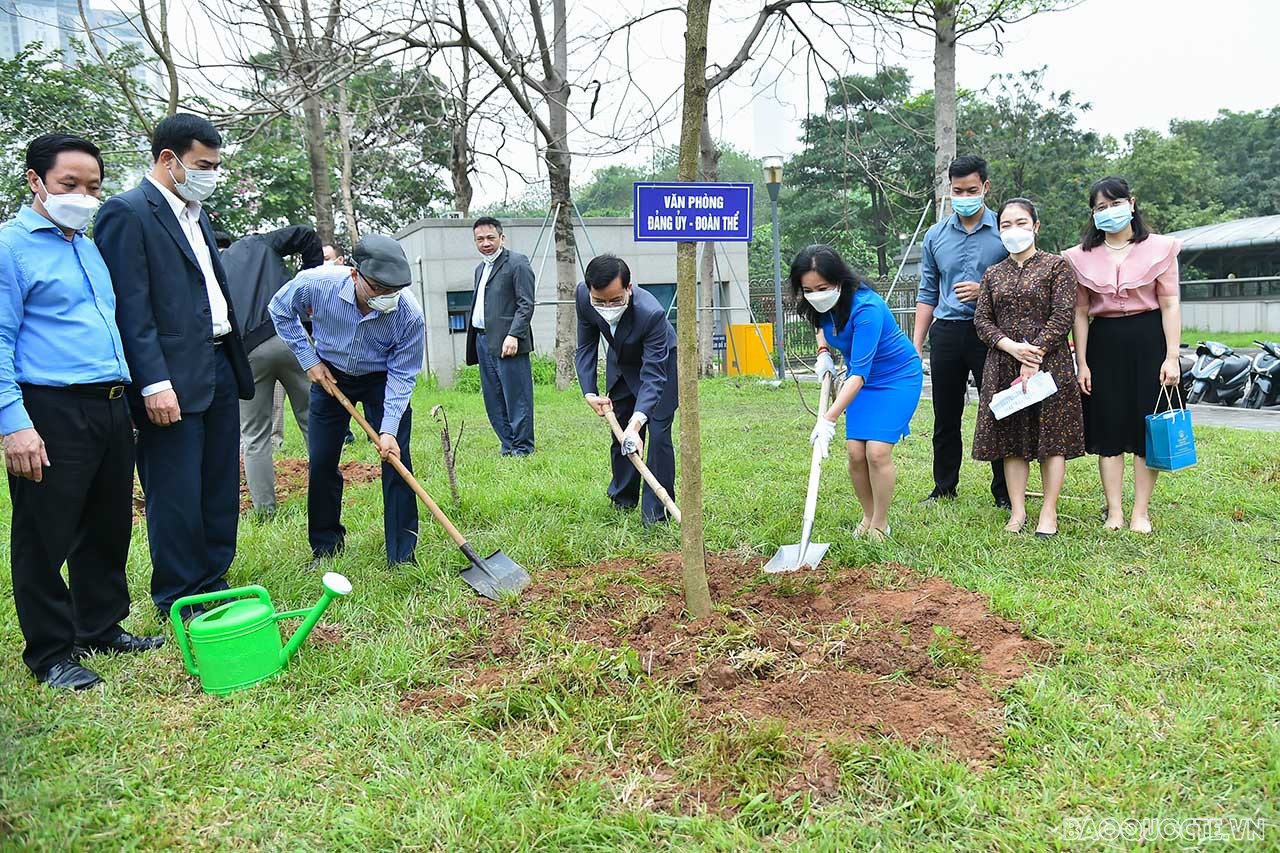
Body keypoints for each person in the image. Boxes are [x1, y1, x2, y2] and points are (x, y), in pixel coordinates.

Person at [0, 134, 163, 689]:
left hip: (110, 402)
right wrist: (14, 422)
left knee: (107, 523)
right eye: (69, 184)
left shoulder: (86, 245)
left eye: (92, 186)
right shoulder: (11, 247)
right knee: (44, 534)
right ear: (35, 181)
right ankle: (50, 653)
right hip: (50, 406)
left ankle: (101, 625)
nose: (83, 195)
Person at [94, 114, 255, 619]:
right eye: (203, 165)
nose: (211, 173)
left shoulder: (196, 212)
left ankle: (214, 578)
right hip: (169, 377)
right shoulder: (128, 213)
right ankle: (179, 597)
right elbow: (129, 307)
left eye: (215, 165)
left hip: (219, 363)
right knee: (176, 489)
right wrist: (153, 381)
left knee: (217, 484)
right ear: (169, 159)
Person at [270, 234, 425, 566]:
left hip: (381, 380)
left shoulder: (408, 313)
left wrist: (389, 430)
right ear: (355, 275)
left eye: (392, 290)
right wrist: (309, 360)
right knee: (323, 460)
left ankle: (402, 555)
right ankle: (326, 546)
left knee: (396, 461)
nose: (386, 296)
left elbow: (402, 374)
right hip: (331, 376)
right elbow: (280, 310)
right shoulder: (317, 284)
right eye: (378, 288)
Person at [1064, 177, 1183, 534]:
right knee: (1110, 426)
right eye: (1100, 207)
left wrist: (1172, 356)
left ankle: (1140, 512)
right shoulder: (1079, 257)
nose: (1109, 212)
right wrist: (1082, 362)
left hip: (1150, 341)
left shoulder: (1161, 249)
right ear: (1093, 214)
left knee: (1147, 425)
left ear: (1131, 203)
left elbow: (1170, 304)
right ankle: (1114, 511)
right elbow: (1080, 313)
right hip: (1104, 342)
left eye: (1115, 204)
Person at [972, 199, 1084, 537]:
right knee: (1011, 440)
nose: (1013, 230)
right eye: (1006, 225)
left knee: (1053, 439)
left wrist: (1033, 354)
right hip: (1004, 365)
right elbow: (982, 320)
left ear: (1036, 226)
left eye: (1020, 223)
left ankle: (1049, 511)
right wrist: (1011, 347)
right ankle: (1018, 511)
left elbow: (1063, 314)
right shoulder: (993, 273)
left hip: (1049, 366)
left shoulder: (1057, 267)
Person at [797, 245, 923, 542]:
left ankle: (881, 523)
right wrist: (823, 352)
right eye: (808, 290)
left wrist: (827, 419)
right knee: (855, 454)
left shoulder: (867, 308)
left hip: (896, 378)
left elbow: (859, 374)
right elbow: (821, 325)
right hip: (861, 380)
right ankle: (867, 515)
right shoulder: (820, 304)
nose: (816, 294)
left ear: (839, 281)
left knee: (877, 452)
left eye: (822, 288)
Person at [913, 155, 1011, 509]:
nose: (964, 195)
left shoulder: (1005, 230)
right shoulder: (935, 236)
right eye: (957, 190)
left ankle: (1003, 492)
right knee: (946, 413)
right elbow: (927, 292)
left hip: (994, 335)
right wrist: (917, 343)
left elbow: (1021, 281)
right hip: (949, 333)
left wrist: (984, 290)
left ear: (985, 187)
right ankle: (944, 488)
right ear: (948, 190)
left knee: (1000, 409)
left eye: (972, 189)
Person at [220, 225, 324, 515]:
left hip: (248, 351)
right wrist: (308, 284)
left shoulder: (211, 269)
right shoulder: (256, 243)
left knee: (255, 435)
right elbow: (306, 235)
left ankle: (265, 510)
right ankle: (326, 498)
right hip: (292, 337)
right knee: (313, 421)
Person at [575, 253, 678, 526]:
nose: (608, 306)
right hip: (621, 361)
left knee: (657, 433)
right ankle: (622, 498)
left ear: (629, 289)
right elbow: (586, 345)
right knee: (620, 430)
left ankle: (657, 514)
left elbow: (653, 375)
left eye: (616, 300)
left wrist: (638, 420)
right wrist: (589, 392)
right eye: (600, 301)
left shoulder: (651, 313)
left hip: (660, 362)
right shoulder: (584, 298)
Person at [465, 216, 536, 456]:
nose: (485, 243)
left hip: (509, 343)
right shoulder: (479, 269)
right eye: (480, 239)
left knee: (517, 397)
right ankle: (508, 446)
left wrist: (514, 334)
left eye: (490, 238)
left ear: (501, 238)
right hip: (483, 341)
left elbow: (526, 304)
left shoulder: (517, 263)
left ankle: (523, 448)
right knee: (493, 398)